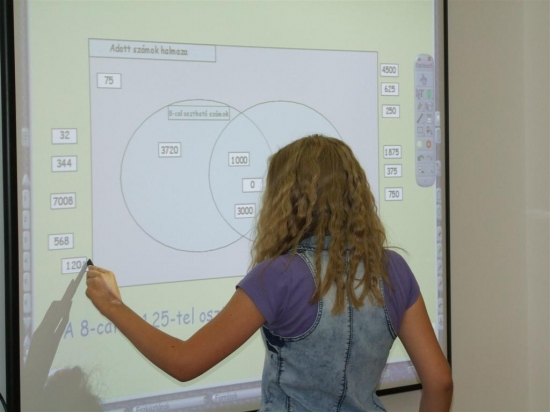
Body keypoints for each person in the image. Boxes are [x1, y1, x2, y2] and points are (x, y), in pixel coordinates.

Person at [86, 134, 452, 411]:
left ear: (285, 199)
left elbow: (184, 363)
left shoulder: (279, 275)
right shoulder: (393, 269)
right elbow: (440, 382)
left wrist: (113, 305)